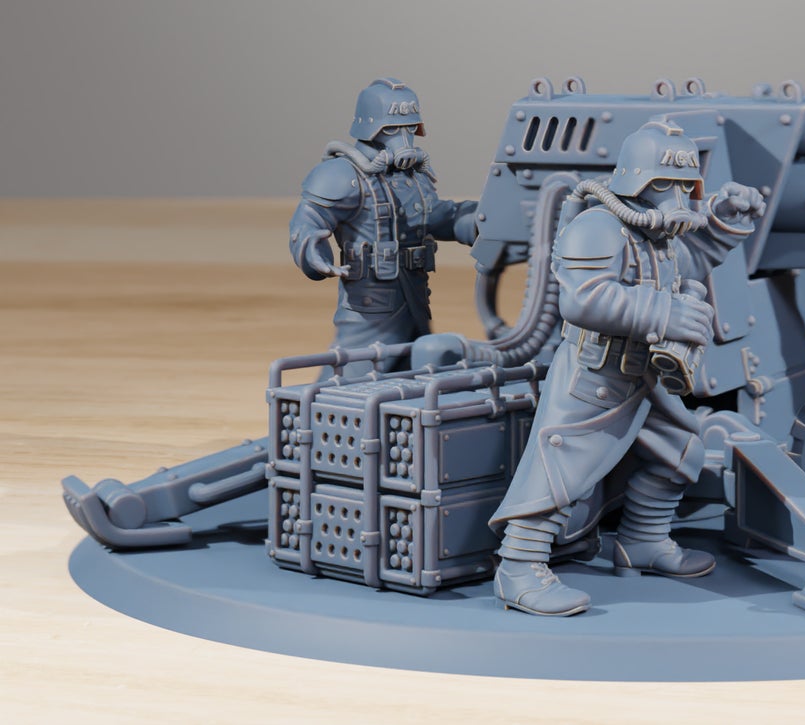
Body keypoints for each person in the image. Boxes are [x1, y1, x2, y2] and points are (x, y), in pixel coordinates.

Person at [489, 116, 766, 616]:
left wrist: (724, 222)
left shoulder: (656, 235)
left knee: (681, 449)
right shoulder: (596, 227)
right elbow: (584, 299)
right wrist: (664, 313)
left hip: (645, 373)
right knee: (560, 468)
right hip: (593, 375)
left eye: (686, 185)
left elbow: (688, 262)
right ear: (642, 180)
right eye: (669, 184)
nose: (679, 196)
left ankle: (644, 540)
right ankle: (518, 568)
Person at [288, 78, 478, 379]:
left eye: (409, 127)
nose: (403, 137)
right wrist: (314, 254)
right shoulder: (342, 173)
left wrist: (479, 220)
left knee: (415, 367)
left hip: (415, 295)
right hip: (370, 304)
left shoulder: (412, 177)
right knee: (353, 374)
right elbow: (309, 221)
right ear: (370, 127)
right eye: (392, 129)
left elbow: (436, 217)